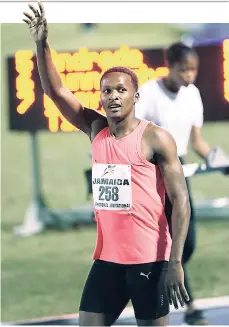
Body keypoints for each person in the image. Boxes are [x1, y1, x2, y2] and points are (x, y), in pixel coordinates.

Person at [23, 3, 191, 326]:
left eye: (121, 91)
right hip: (108, 261)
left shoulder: (156, 139)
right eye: (107, 91)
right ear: (100, 97)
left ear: (136, 97)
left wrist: (176, 262)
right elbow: (55, 91)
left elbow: (181, 201)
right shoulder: (96, 129)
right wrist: (42, 43)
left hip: (150, 262)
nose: (113, 96)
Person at [135, 42, 212, 325]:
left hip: (179, 170)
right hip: (153, 173)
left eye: (193, 70)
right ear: (171, 66)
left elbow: (198, 143)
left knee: (185, 244)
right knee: (172, 241)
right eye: (184, 70)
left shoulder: (193, 96)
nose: (189, 76)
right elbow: (134, 137)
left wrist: (221, 160)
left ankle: (165, 277)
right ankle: (191, 309)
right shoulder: (150, 94)